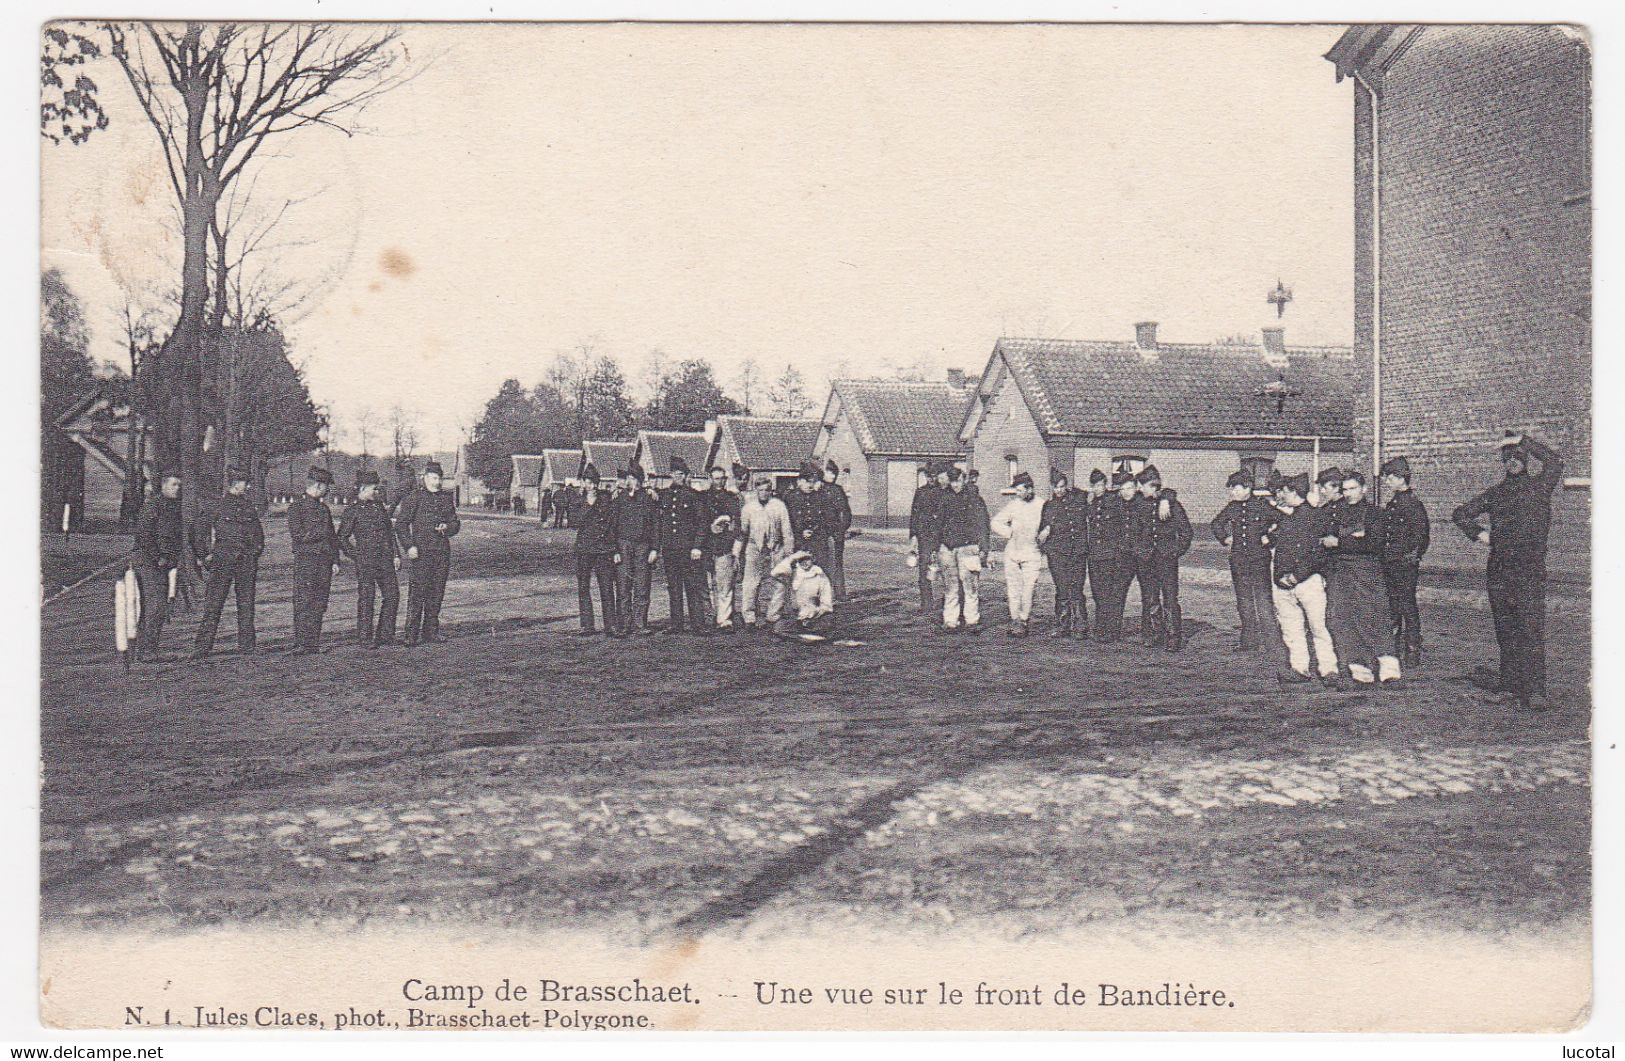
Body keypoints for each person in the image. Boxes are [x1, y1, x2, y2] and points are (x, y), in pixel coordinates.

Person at [1452, 432, 1563, 711]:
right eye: (1508, 459)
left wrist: (1523, 440)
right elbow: (1461, 514)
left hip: (1530, 571)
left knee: (1531, 629)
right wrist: (1480, 535)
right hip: (1500, 571)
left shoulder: (1540, 487)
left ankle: (1535, 691)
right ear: (1503, 463)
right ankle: (1509, 686)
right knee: (1506, 631)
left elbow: (1555, 462)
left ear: (1526, 461)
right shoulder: (1496, 494)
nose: (1513, 462)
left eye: (1518, 458)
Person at [1323, 471, 1403, 688]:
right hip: (1341, 573)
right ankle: (1360, 672)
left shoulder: (1375, 514)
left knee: (1374, 617)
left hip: (1368, 572)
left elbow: (1374, 543)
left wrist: (1341, 542)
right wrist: (1351, 540)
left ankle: (1389, 671)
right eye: (1345, 489)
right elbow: (1325, 539)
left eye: (1353, 489)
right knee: (1345, 619)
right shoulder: (1336, 513)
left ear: (1363, 489)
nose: (1348, 494)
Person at [1266, 473, 1339, 687]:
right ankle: (1300, 668)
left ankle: (1328, 669)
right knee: (1291, 628)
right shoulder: (1287, 519)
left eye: (1283, 491)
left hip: (1308, 581)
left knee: (1319, 626)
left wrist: (1297, 575)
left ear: (1293, 492)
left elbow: (1317, 552)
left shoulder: (1316, 518)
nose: (1280, 495)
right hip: (1285, 583)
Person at [190, 465, 264, 660]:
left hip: (246, 562)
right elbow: (198, 532)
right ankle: (203, 647)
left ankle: (247, 645)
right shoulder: (217, 506)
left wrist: (255, 552)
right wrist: (205, 555)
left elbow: (258, 534)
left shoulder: (249, 507)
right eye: (244, 483)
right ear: (235, 483)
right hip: (222, 561)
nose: (247, 487)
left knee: (246, 604)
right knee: (214, 604)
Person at [1210, 469, 1277, 653]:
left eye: (1236, 488)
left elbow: (1283, 522)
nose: (1233, 493)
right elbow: (1216, 523)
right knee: (1244, 601)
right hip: (1239, 560)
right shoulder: (1232, 508)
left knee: (1263, 600)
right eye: (1231, 489)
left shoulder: (1262, 506)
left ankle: (1272, 642)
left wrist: (1270, 539)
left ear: (1247, 488)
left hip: (1259, 559)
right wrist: (1225, 538)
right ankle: (1249, 642)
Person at [395, 460, 461, 645]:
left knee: (436, 593)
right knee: (417, 594)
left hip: (441, 553)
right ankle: (411, 634)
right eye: (433, 477)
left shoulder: (446, 498)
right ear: (424, 478)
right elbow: (400, 525)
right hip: (421, 553)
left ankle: (431, 632)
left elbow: (456, 524)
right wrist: (409, 546)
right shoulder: (414, 498)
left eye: (439, 478)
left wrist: (447, 527)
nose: (437, 482)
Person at [337, 469, 401, 648]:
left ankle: (386, 635)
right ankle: (365, 638)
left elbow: (390, 532)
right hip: (366, 561)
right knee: (367, 598)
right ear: (363, 489)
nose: (377, 492)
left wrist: (396, 554)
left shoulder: (379, 507)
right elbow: (342, 537)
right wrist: (355, 555)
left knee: (392, 596)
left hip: (384, 560)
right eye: (374, 489)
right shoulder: (353, 510)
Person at [1381, 456, 1431, 666]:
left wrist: (1411, 557)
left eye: (1390, 477)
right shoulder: (1393, 504)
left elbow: (1421, 536)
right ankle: (1393, 647)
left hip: (1404, 564)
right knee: (1392, 605)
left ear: (1402, 478)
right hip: (1390, 562)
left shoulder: (1413, 504)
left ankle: (1412, 649)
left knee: (1407, 606)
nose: (1387, 481)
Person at [130, 471, 184, 662]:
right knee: (155, 606)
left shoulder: (172, 507)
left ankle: (145, 649)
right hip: (148, 562)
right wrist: (158, 556)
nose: (177, 488)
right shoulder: (153, 506)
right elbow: (144, 535)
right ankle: (146, 651)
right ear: (163, 486)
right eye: (173, 485)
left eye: (179, 485)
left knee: (156, 607)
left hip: (162, 563)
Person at [287, 465, 340, 655]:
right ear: (318, 486)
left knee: (320, 601)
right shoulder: (296, 508)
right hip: (306, 560)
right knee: (304, 601)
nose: (327, 491)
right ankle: (301, 642)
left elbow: (333, 538)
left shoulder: (324, 509)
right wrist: (320, 533)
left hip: (324, 561)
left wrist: (335, 560)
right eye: (326, 487)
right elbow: (298, 535)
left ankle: (313, 642)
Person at [1138, 466, 1192, 651]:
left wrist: (1174, 552)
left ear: (1153, 486)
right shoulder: (1142, 504)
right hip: (1147, 560)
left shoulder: (1173, 505)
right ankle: (1155, 634)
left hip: (1167, 561)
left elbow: (1186, 533)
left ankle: (1173, 637)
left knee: (1170, 599)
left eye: (1143, 486)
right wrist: (1140, 551)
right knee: (1150, 599)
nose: (1141, 489)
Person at [655, 456, 711, 635]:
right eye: (675, 474)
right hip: (670, 549)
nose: (678, 477)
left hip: (688, 550)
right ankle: (676, 624)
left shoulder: (693, 496)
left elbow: (702, 523)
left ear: (686, 476)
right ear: (671, 475)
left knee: (692, 587)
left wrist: (697, 546)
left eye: (681, 474)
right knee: (674, 587)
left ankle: (698, 625)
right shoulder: (664, 495)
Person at [991, 469, 1046, 637]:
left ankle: (1023, 619)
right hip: (1013, 552)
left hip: (1032, 553)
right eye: (1017, 490)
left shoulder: (1042, 505)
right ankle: (1015, 619)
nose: (1019, 493)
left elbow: (1050, 524)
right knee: (1014, 589)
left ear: (1030, 489)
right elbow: (995, 522)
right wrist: (1009, 533)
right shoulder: (1013, 505)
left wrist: (1045, 533)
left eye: (1021, 490)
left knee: (1028, 589)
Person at [737, 473, 795, 631]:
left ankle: (773, 614)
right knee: (751, 583)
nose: (764, 493)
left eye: (767, 490)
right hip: (754, 548)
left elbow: (786, 530)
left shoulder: (779, 506)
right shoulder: (749, 507)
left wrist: (788, 553)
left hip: (775, 548)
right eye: (760, 490)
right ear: (756, 490)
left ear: (771, 491)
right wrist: (738, 552)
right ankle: (749, 617)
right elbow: (742, 531)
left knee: (780, 581)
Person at [936, 465, 990, 633]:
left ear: (964, 479)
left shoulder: (974, 499)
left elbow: (983, 524)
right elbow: (938, 524)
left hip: (969, 546)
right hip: (948, 547)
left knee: (970, 585)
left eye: (958, 481)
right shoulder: (944, 498)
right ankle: (950, 620)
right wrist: (936, 546)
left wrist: (984, 547)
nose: (955, 485)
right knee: (950, 586)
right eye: (952, 482)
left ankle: (972, 620)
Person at [1038, 468, 1090, 639]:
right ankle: (1062, 625)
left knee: (1077, 589)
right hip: (1057, 554)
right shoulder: (1049, 506)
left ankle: (1080, 625)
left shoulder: (1078, 499)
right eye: (1056, 487)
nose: (1059, 490)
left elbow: (1083, 495)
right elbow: (1042, 529)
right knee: (1061, 589)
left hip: (1077, 552)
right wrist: (1045, 530)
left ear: (1066, 486)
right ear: (1052, 488)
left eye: (1062, 486)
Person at [569, 463, 620, 636]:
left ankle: (610, 625)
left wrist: (613, 549)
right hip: (584, 549)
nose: (589, 485)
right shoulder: (577, 500)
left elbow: (612, 524)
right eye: (586, 482)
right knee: (583, 587)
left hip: (603, 550)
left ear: (597, 484)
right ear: (583, 483)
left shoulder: (606, 500)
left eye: (592, 482)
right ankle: (587, 625)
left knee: (606, 588)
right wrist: (588, 505)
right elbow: (574, 522)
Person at [612, 466, 658, 636]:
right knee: (623, 585)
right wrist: (615, 550)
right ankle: (624, 624)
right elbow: (613, 527)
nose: (632, 482)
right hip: (623, 545)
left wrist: (654, 548)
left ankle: (640, 623)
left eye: (635, 479)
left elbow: (655, 526)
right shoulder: (619, 499)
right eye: (629, 478)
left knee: (642, 585)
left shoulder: (648, 499)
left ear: (641, 481)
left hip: (643, 546)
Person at [1090, 470, 1132, 642]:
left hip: (1112, 555)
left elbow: (1125, 524)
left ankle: (1112, 630)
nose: (1098, 488)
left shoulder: (1115, 500)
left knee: (1112, 594)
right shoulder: (1091, 503)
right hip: (1094, 556)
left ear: (1106, 485)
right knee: (1098, 593)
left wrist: (1120, 549)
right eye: (1094, 485)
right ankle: (1101, 628)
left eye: (1100, 485)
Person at [1121, 467, 1162, 645]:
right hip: (1125, 556)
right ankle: (1112, 631)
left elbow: (1166, 493)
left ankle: (1151, 634)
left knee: (1150, 595)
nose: (1137, 489)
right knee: (1118, 592)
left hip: (1146, 557)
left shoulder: (1149, 501)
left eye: (1139, 486)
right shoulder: (1123, 500)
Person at [704, 464, 743, 631]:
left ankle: (724, 619)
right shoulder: (702, 498)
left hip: (724, 546)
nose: (719, 482)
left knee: (725, 585)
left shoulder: (731, 499)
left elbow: (736, 524)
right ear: (710, 479)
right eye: (716, 478)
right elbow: (698, 522)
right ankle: (709, 616)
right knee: (706, 584)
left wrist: (734, 549)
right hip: (706, 547)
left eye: (722, 478)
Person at [908, 463, 949, 617]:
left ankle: (948, 600)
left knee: (944, 569)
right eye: (928, 476)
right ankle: (926, 602)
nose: (931, 479)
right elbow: (914, 515)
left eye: (933, 476)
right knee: (924, 570)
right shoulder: (920, 492)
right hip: (924, 537)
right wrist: (913, 536)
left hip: (941, 537)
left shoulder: (943, 493)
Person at [771, 550, 837, 637]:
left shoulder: (820, 575)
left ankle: (805, 634)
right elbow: (774, 573)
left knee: (827, 624)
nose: (804, 562)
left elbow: (826, 601)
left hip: (814, 616)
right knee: (779, 626)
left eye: (807, 559)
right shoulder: (793, 573)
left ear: (813, 559)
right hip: (796, 616)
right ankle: (801, 635)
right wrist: (792, 558)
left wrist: (816, 613)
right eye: (801, 560)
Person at [785, 461, 831, 572]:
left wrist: (814, 531)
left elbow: (826, 519)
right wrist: (800, 532)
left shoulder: (820, 498)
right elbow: (787, 522)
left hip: (817, 542)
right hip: (798, 542)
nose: (810, 485)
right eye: (807, 482)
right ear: (799, 481)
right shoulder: (790, 498)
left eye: (812, 482)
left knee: (819, 573)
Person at [822, 459, 854, 601]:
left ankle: (839, 592)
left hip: (835, 532)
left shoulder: (838, 491)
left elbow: (846, 512)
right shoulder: (817, 490)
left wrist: (842, 528)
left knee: (837, 562)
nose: (832, 476)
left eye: (834, 473)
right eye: (829, 473)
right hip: (821, 532)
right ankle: (823, 592)